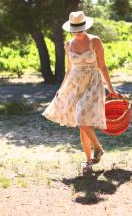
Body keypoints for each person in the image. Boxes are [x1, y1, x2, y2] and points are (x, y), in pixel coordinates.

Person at [42, 11, 118, 175]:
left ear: (85, 26)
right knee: (82, 124)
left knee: (81, 118)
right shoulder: (68, 44)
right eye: (74, 29)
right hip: (75, 84)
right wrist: (61, 89)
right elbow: (69, 69)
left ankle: (98, 149)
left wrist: (111, 89)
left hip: (92, 82)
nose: (77, 31)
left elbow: (102, 66)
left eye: (79, 28)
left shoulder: (95, 41)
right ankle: (89, 160)